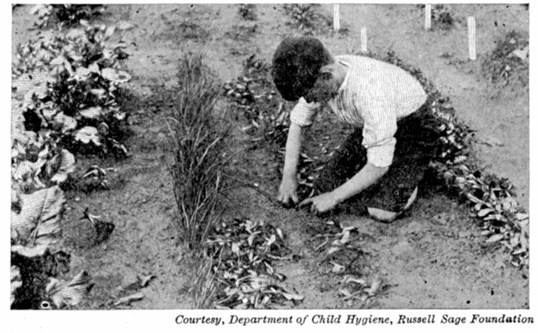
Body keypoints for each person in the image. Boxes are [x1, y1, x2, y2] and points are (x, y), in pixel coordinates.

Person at [271, 36, 440, 222]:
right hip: (377, 124)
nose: (308, 100)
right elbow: (299, 123)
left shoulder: (370, 93)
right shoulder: (322, 74)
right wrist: (288, 176)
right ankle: (395, 169)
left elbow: (379, 163)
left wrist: (333, 197)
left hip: (415, 128)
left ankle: (411, 176)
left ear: (326, 75)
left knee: (382, 212)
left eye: (308, 94)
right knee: (324, 185)